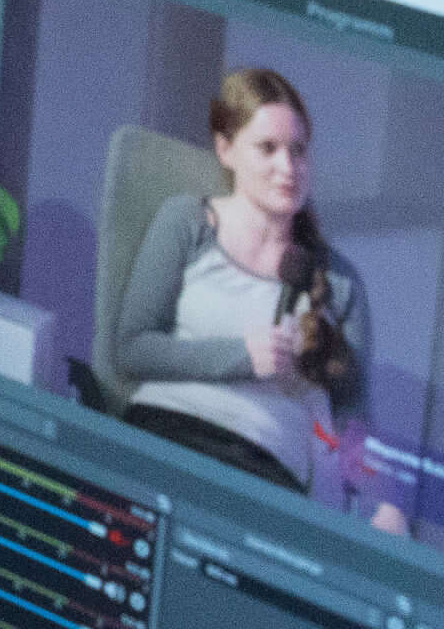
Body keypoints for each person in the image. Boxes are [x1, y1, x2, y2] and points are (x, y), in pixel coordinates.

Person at [111, 68, 409, 533]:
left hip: (263, 472)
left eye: (298, 150)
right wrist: (243, 356)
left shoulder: (340, 282)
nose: (288, 168)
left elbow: (351, 422)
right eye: (267, 148)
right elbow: (131, 347)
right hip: (166, 433)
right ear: (225, 149)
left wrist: (383, 499)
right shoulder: (187, 221)